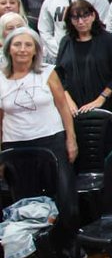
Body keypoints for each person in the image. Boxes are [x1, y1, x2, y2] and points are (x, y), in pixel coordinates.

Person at [0, 28, 78, 191]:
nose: (22, 49)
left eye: (28, 45)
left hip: (51, 140)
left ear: (36, 50)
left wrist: (71, 139)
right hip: (15, 144)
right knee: (26, 201)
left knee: (62, 195)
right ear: (8, 49)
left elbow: (63, 107)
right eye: (17, 45)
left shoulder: (48, 72)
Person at [55, 0, 112, 115]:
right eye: (75, 18)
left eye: (85, 17)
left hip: (105, 105)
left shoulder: (107, 39)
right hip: (73, 108)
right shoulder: (66, 41)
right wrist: (68, 101)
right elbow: (59, 75)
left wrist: (101, 99)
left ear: (93, 16)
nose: (80, 22)